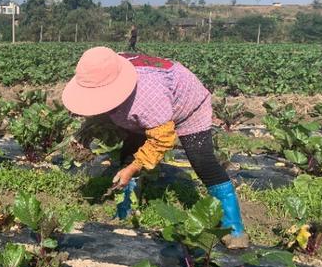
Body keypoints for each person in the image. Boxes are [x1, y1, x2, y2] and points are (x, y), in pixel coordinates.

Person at [61, 47, 248, 249]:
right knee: (129, 150)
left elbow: (162, 139)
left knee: (202, 161)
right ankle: (126, 209)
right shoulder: (109, 70)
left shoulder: (147, 97)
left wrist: (133, 167)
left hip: (188, 106)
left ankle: (234, 228)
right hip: (147, 105)